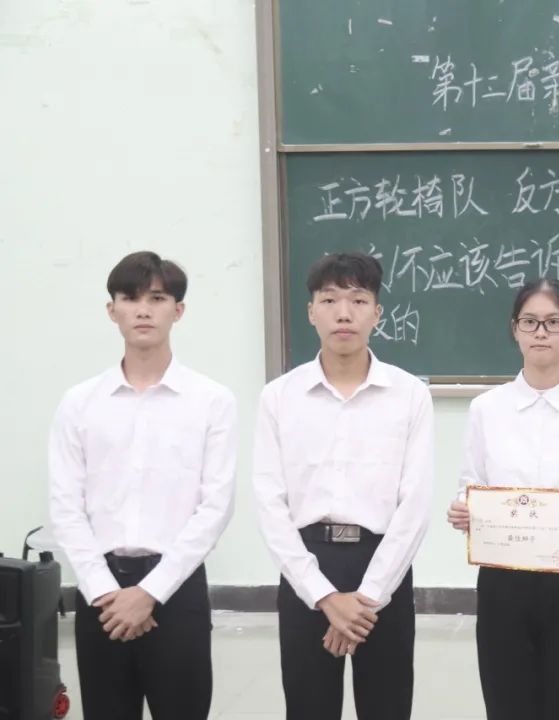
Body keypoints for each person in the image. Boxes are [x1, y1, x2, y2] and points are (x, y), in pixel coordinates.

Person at [49, 251, 237, 720]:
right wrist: (104, 591)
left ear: (178, 310)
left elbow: (215, 507)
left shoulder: (211, 401)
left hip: (177, 591)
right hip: (101, 594)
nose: (143, 310)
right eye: (130, 299)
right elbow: (66, 506)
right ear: (111, 310)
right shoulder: (80, 403)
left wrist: (150, 592)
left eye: (157, 298)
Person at [253, 252, 433, 720]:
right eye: (329, 300)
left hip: (383, 568)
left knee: (387, 707)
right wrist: (324, 597)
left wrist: (366, 599)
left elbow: (414, 505)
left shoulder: (410, 395)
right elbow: (270, 504)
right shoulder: (279, 397)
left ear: (378, 313)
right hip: (306, 568)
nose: (344, 313)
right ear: (311, 312)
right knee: (308, 708)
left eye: (358, 300)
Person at [446, 278, 559, 720]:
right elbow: (471, 484)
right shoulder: (486, 409)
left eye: (553, 322)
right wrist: (464, 510)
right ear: (515, 330)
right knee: (507, 701)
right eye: (530, 322)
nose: (541, 332)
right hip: (503, 578)